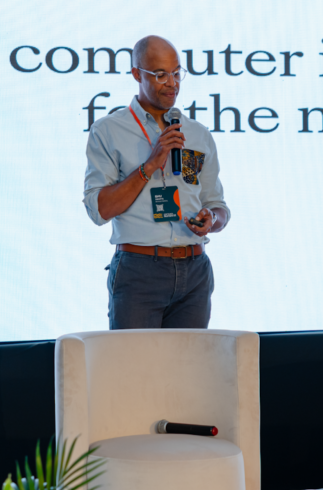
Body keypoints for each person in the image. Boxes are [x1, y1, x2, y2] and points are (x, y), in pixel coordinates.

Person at [83, 35, 230, 329]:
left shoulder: (198, 134)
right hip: (139, 271)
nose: (172, 83)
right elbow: (99, 210)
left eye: (176, 73)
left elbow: (218, 206)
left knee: (190, 359)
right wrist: (150, 164)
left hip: (195, 271)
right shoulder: (108, 130)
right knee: (136, 359)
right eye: (160, 74)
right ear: (137, 74)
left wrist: (211, 219)